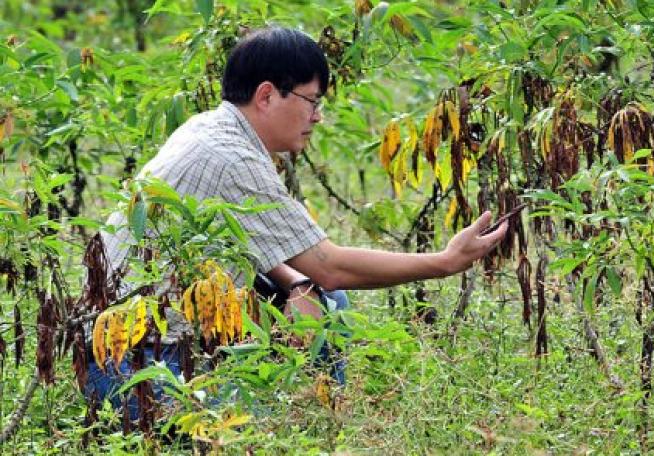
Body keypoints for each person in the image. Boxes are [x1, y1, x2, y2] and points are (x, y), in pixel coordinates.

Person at [88, 26, 508, 414]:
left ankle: (319, 409)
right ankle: (315, 417)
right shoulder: (232, 156)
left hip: (143, 345)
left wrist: (297, 283)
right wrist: (444, 262)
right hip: (134, 364)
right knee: (261, 419)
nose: (318, 116)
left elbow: (268, 246)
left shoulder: (212, 129)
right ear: (267, 96)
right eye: (312, 101)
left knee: (323, 301)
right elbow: (332, 265)